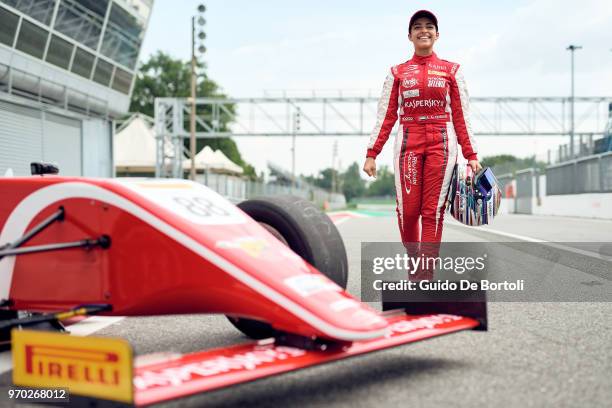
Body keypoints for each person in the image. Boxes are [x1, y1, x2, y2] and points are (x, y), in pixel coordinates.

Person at [363, 10, 481, 274]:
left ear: (437, 35)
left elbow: (462, 117)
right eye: (417, 27)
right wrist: (372, 152)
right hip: (408, 141)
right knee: (408, 212)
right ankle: (414, 255)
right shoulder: (397, 73)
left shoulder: (452, 71)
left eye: (429, 26)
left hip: (442, 139)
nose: (423, 30)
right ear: (410, 36)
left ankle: (425, 273)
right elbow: (386, 115)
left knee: (433, 211)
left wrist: (471, 154)